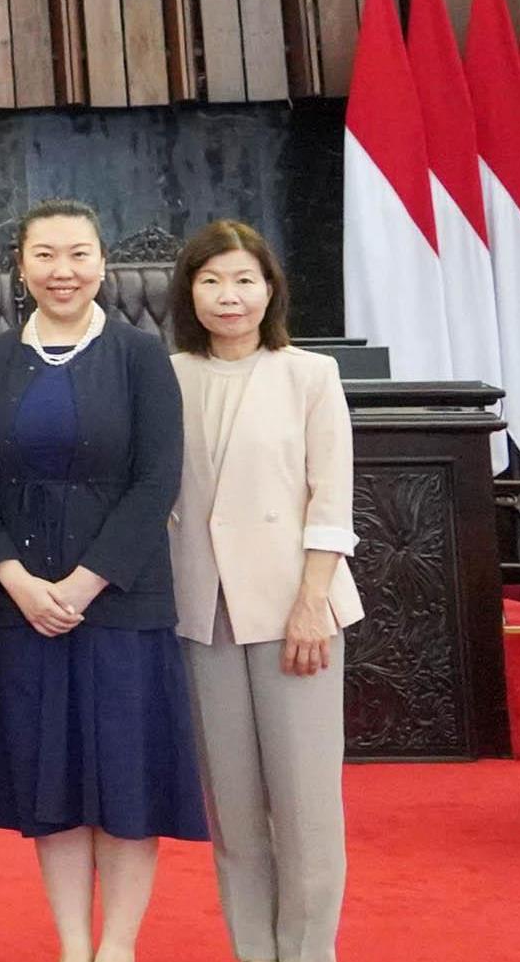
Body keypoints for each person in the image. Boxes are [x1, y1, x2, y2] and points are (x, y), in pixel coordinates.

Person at [0, 201, 205, 962]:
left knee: (127, 779)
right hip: (21, 606)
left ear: (104, 263)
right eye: (44, 254)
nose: (61, 270)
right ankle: (72, 945)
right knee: (51, 782)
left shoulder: (140, 355)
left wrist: (87, 582)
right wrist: (18, 580)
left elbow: (157, 477)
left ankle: (118, 947)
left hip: (122, 601)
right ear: (21, 265)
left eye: (77, 253)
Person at [169, 220, 361, 962]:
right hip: (204, 611)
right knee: (237, 814)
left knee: (307, 809)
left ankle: (309, 953)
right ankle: (254, 949)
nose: (230, 295)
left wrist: (312, 600)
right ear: (190, 290)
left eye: (245, 279)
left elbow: (331, 500)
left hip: (294, 609)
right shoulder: (169, 374)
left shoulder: (308, 375)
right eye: (212, 279)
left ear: (270, 288)